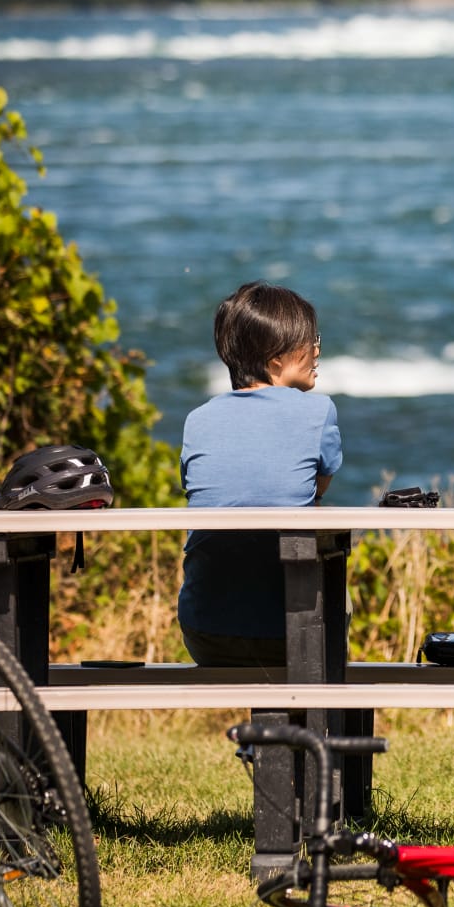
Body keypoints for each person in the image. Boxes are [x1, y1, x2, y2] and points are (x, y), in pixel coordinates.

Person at [178, 281, 342, 667]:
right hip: (291, 632)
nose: (317, 350)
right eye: (308, 341)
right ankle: (317, 724)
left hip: (205, 631)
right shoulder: (318, 413)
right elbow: (316, 490)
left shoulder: (197, 421)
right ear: (274, 362)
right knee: (335, 592)